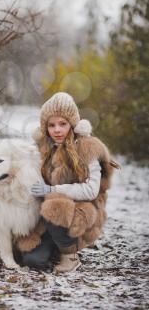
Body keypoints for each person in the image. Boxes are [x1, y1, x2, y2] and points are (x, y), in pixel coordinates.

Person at [17, 92, 120, 273]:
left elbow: (91, 190)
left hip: (78, 216)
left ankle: (70, 256)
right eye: (51, 125)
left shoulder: (87, 148)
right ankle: (52, 246)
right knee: (33, 260)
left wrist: (53, 189)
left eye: (62, 124)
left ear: (73, 124)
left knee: (54, 204)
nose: (57, 130)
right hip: (48, 220)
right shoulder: (44, 147)